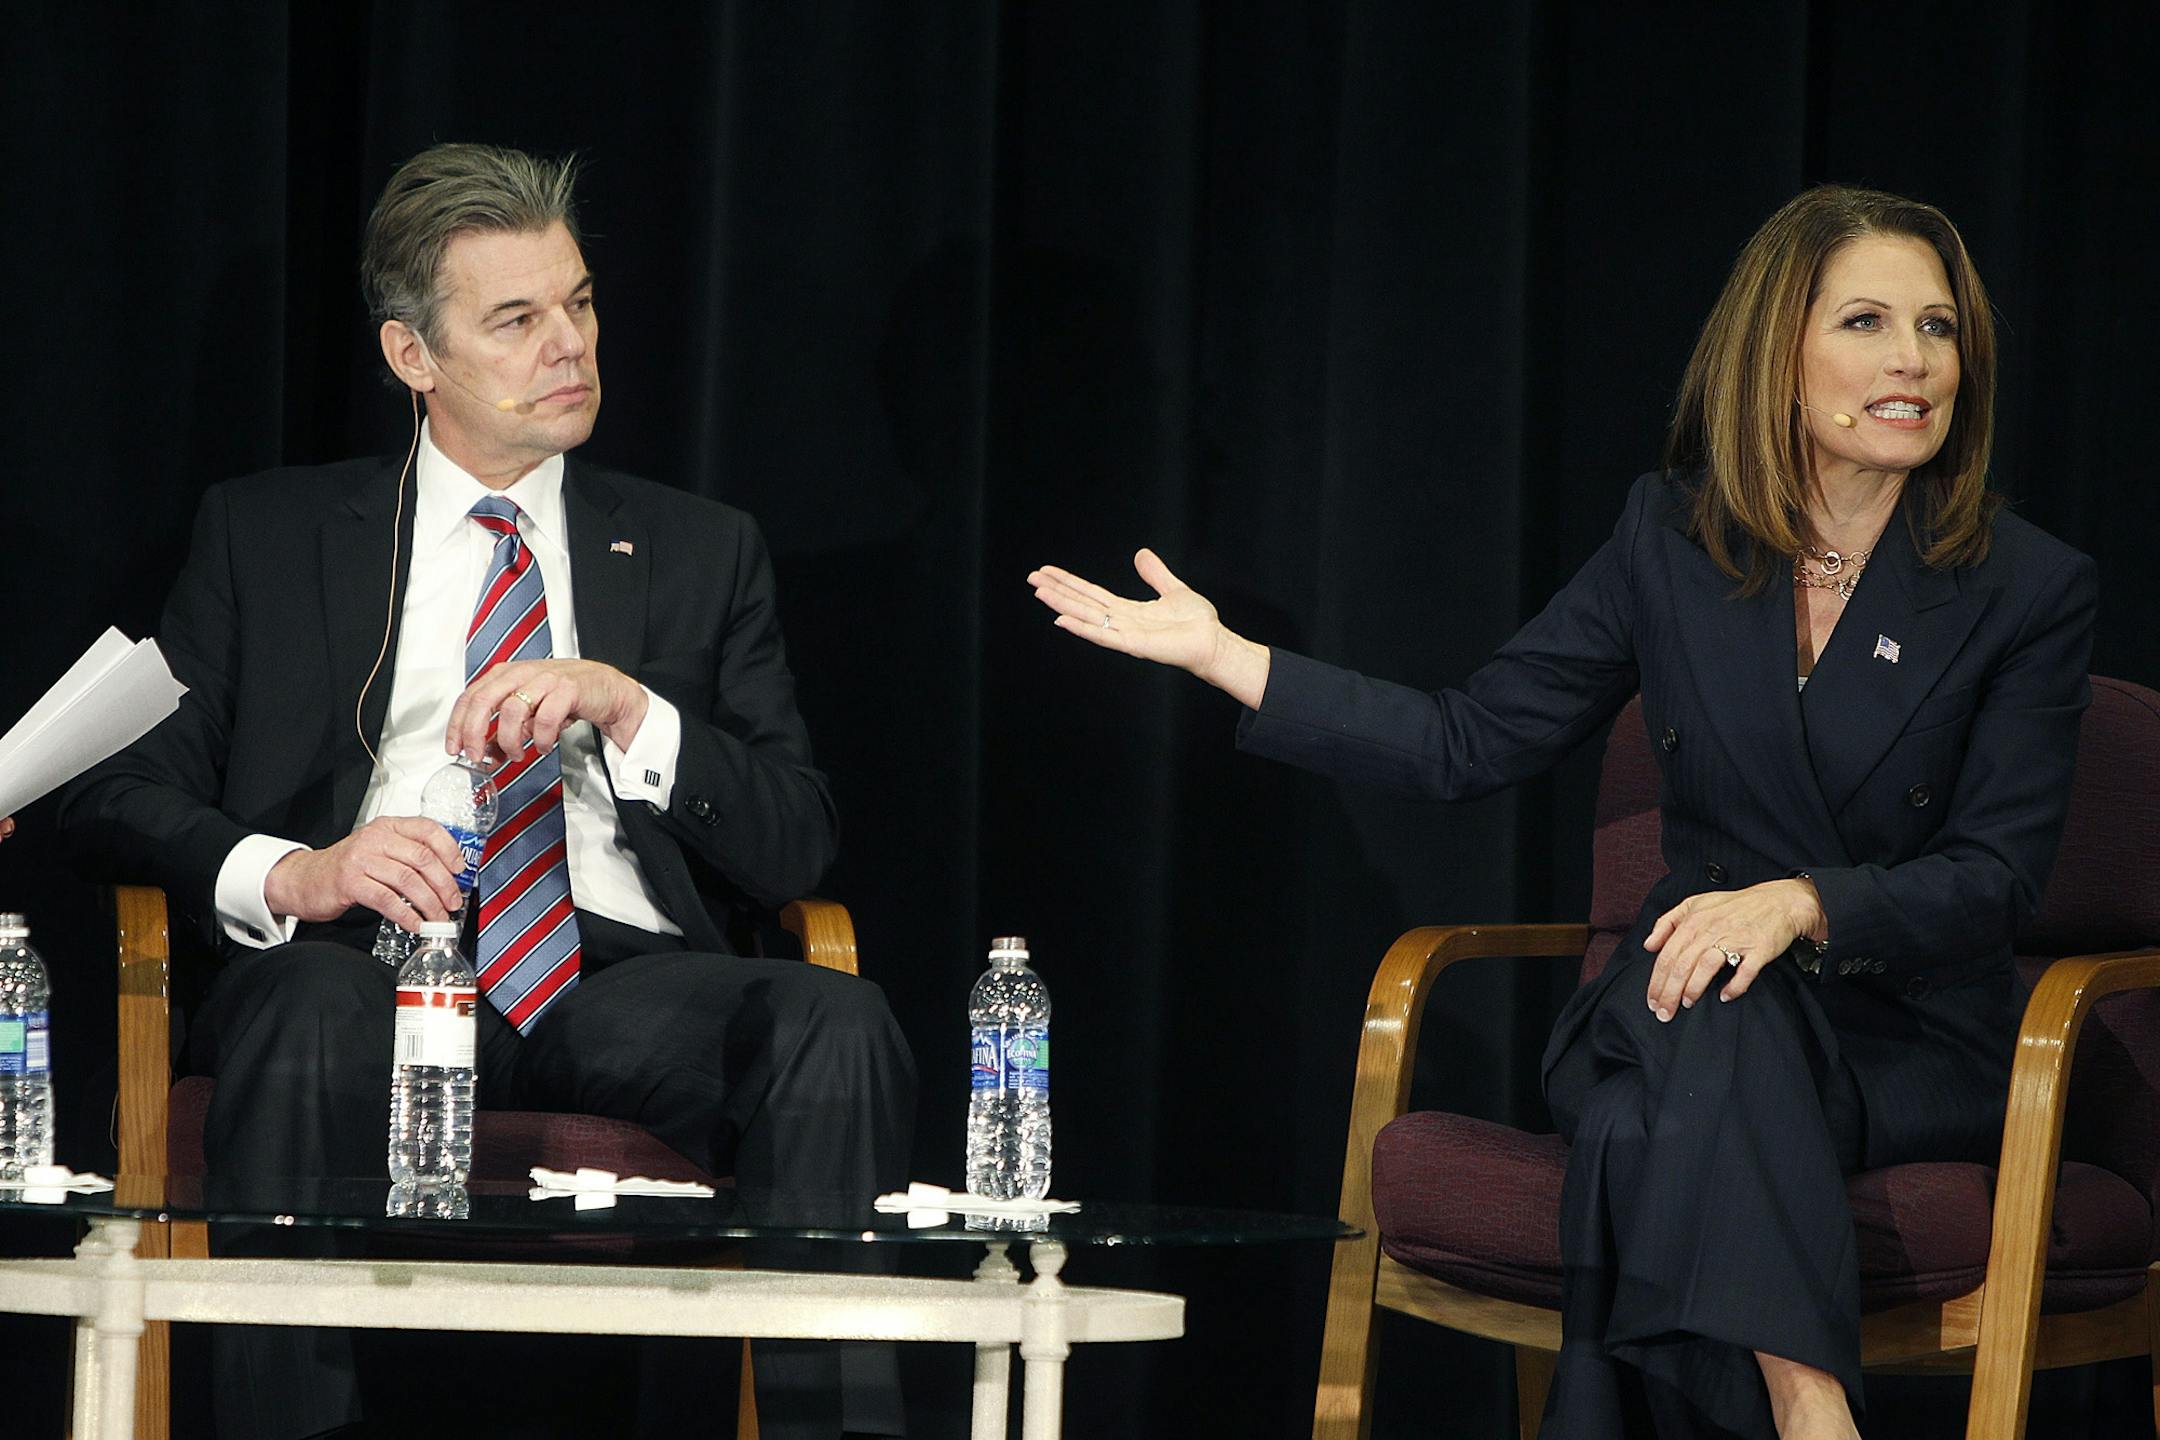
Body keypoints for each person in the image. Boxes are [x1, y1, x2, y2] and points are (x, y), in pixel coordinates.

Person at [1026, 185, 2096, 1438]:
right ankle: (1814, 1417)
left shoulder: (2025, 586)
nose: (1915, 361)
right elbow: (1466, 739)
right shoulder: (1672, 538)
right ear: (1778, 353)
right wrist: (1231, 661)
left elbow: (1996, 878)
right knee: (1705, 1011)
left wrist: (1806, 903)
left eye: (1941, 328)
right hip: (1670, 1007)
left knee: (1663, 1108)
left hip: (1895, 1043)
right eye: (1867, 321)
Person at [61, 143, 915, 1440]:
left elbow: (797, 842)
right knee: (298, 1015)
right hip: (359, 953)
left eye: (575, 303)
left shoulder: (696, 549)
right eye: (515, 319)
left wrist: (634, 709)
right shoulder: (272, 533)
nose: (565, 344)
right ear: (415, 357)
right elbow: (120, 787)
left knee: (834, 1021)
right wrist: (296, 874)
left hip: (611, 974)